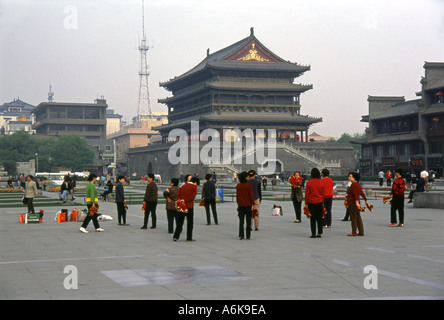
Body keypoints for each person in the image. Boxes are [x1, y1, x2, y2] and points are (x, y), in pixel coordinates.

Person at [173, 176, 199, 241]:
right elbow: (192, 197)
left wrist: (181, 200)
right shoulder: (194, 187)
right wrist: (185, 200)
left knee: (180, 222)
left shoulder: (183, 186)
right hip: (189, 206)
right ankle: (189, 237)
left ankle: (176, 236)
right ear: (195, 182)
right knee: (190, 222)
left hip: (182, 206)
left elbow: (178, 194)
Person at [345, 171, 370, 236]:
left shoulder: (354, 185)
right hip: (355, 202)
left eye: (350, 176)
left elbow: (356, 194)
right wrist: (365, 200)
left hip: (353, 203)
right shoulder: (358, 184)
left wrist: (357, 202)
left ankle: (354, 232)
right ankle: (361, 232)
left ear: (354, 177)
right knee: (358, 217)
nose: (348, 178)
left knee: (353, 217)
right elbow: (361, 193)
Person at [304, 168, 325, 238]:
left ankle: (313, 233)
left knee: (312, 218)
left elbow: (307, 194)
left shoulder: (309, 183)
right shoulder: (321, 182)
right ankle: (319, 232)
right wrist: (323, 202)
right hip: (319, 202)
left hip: (311, 202)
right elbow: (323, 193)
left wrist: (306, 203)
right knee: (319, 217)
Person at [236, 171, 255, 240]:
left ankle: (241, 235)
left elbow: (237, 196)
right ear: (245, 177)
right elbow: (251, 196)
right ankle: (248, 235)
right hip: (248, 205)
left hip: (240, 205)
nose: (248, 177)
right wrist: (253, 204)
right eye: (247, 176)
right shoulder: (248, 185)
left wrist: (238, 203)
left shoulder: (238, 185)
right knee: (248, 221)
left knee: (241, 221)